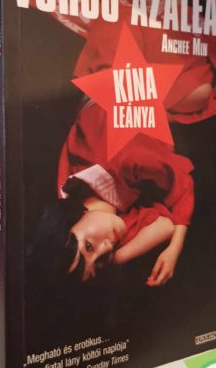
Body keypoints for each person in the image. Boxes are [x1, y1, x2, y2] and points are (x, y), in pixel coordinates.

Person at [56, 99, 195, 287]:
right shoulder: (76, 203)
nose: (107, 248)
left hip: (131, 92)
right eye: (98, 264)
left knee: (201, 95)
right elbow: (165, 225)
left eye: (88, 246)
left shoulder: (129, 159)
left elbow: (183, 183)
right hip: (118, 105)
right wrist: (115, 259)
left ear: (71, 220)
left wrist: (175, 248)